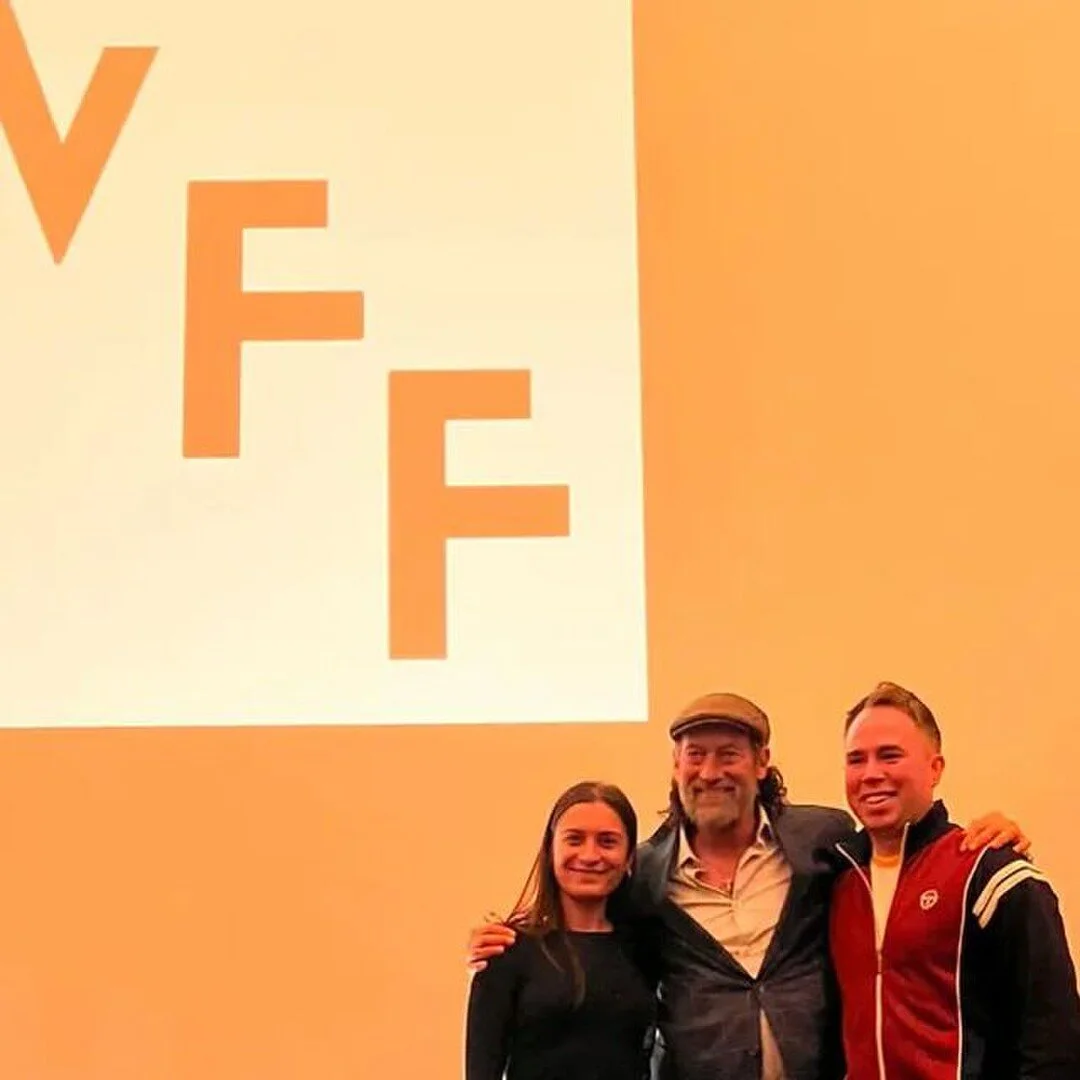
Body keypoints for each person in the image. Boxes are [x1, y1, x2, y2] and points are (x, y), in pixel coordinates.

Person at [468, 691, 1030, 1080]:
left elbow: (899, 855)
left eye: (729, 754)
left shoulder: (823, 841)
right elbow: (582, 920)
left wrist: (986, 832)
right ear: (675, 765)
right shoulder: (644, 876)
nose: (711, 771)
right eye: (696, 755)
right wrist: (507, 934)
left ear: (762, 762)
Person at [830, 681, 1080, 1079]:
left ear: (935, 768)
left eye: (889, 756)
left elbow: (1053, 1036)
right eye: (856, 760)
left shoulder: (994, 876)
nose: (871, 774)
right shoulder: (835, 881)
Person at [464, 780, 657, 1080]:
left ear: (630, 857)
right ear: (551, 850)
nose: (590, 855)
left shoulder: (645, 947)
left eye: (607, 841)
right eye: (574, 839)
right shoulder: (507, 948)